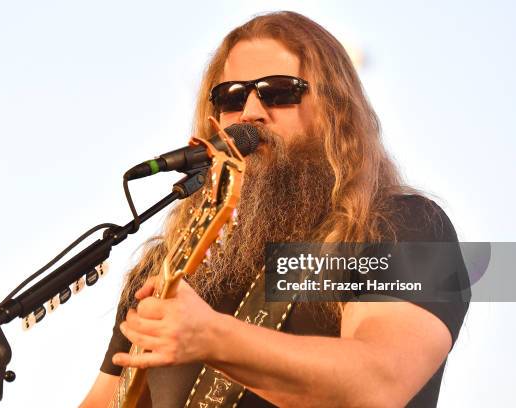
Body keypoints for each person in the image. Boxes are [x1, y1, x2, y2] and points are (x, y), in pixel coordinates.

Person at [80, 11, 469, 407]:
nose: (250, 111)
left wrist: (212, 338)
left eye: (279, 91)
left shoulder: (406, 225)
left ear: (335, 110)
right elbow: (103, 399)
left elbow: (379, 383)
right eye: (231, 96)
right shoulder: (165, 267)